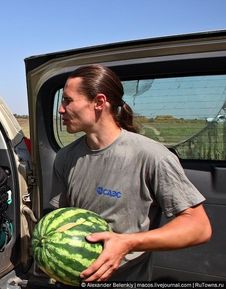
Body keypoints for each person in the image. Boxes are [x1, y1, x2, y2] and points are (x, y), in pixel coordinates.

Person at [50, 64, 212, 282]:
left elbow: (199, 227)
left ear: (99, 102)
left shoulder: (152, 156)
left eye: (67, 101)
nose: (61, 109)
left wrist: (128, 242)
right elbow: (58, 219)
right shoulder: (65, 157)